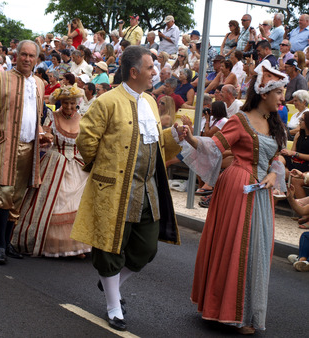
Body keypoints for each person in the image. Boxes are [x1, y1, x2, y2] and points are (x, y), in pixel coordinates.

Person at [70, 46, 181, 331]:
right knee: (110, 248)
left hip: (148, 190)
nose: (154, 72)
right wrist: (104, 169)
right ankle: (113, 305)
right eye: (149, 68)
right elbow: (86, 142)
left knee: (147, 247)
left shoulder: (152, 103)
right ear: (134, 72)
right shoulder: (106, 102)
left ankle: (111, 285)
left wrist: (176, 136)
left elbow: (157, 145)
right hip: (114, 188)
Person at [181, 60, 288, 334]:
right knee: (236, 246)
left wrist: (274, 175)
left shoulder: (274, 122)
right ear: (265, 93)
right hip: (237, 188)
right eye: (279, 92)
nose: (283, 98)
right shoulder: (239, 120)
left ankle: (245, 311)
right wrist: (188, 138)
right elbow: (214, 147)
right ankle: (228, 310)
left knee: (257, 249)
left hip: (260, 194)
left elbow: (277, 158)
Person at [0, 40, 52, 265]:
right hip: (4, 146)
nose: (27, 59)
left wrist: (41, 133)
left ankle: (7, 242)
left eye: (31, 56)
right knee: (2, 196)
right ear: (15, 56)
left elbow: (35, 116)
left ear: (37, 59)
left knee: (17, 198)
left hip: (29, 147)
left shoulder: (39, 83)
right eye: (23, 55)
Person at [11, 85, 91, 257]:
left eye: (72, 104)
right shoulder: (51, 117)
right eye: (66, 103)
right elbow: (44, 138)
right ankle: (55, 243)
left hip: (78, 164)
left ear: (77, 103)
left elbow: (88, 142)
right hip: (55, 162)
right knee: (54, 203)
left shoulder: (84, 119)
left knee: (79, 204)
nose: (69, 107)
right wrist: (45, 138)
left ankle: (77, 245)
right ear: (60, 102)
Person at [279, 111, 309, 199]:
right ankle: (284, 175)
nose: (299, 121)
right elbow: (292, 152)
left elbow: (294, 153)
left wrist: (294, 154)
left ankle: (302, 209)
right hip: (295, 162)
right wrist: (288, 153)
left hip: (306, 165)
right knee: (279, 158)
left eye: (302, 119)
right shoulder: (298, 134)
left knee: (284, 173)